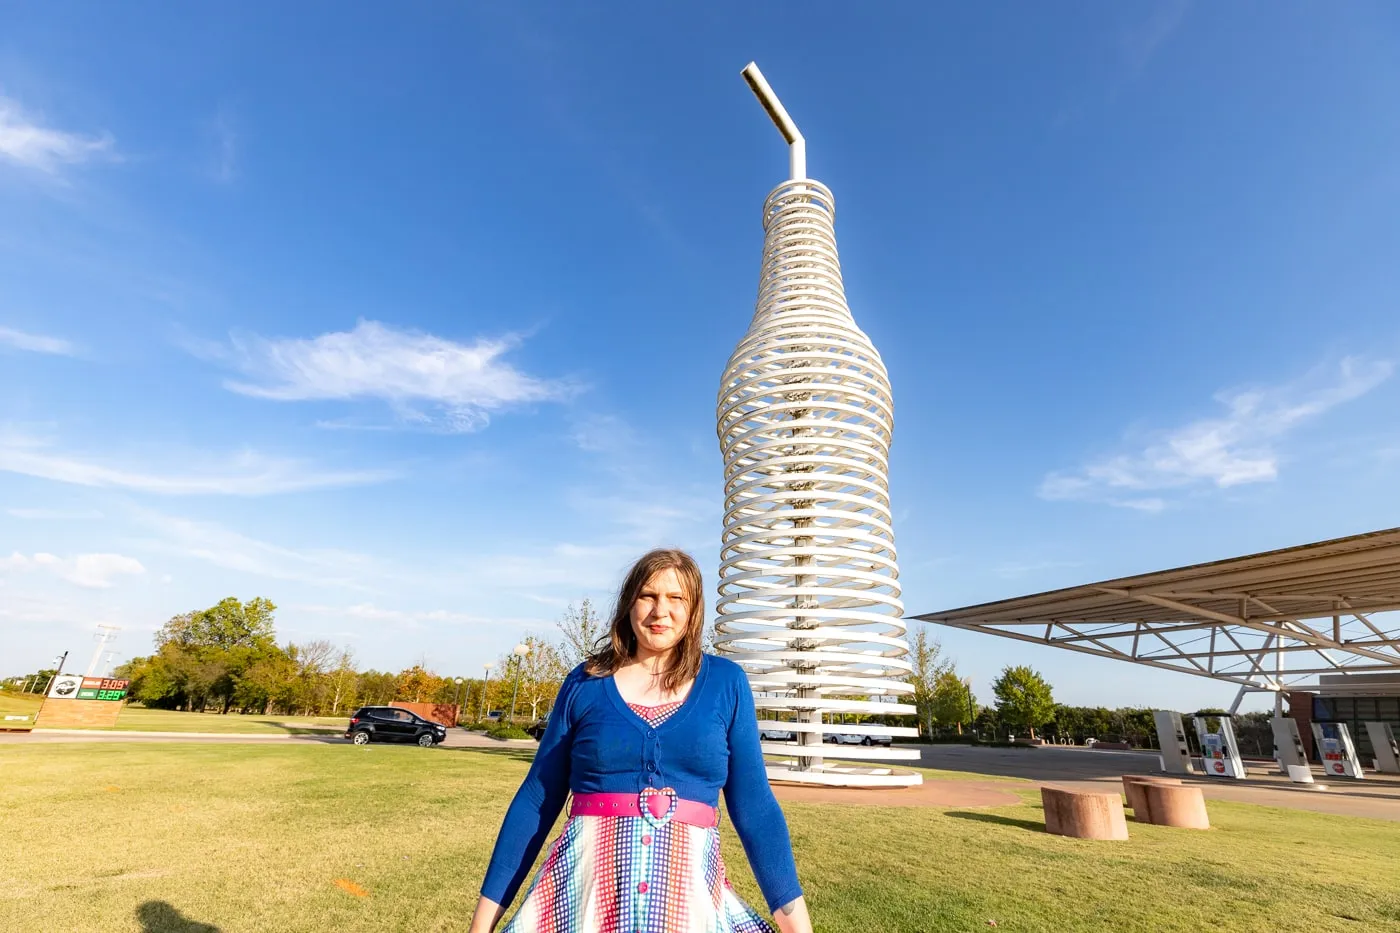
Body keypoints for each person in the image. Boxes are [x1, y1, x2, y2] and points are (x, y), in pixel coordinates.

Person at [468, 548, 813, 933]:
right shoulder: (585, 683)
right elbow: (537, 798)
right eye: (648, 595)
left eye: (676, 598)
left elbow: (755, 807)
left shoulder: (726, 683)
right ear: (629, 602)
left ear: (694, 608)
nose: (659, 611)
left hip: (689, 908)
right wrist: (481, 925)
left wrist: (796, 925)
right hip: (580, 901)